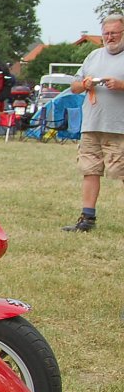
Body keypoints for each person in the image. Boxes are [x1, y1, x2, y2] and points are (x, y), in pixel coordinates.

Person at [62, 14, 124, 232]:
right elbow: (74, 86)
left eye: (114, 33)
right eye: (106, 33)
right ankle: (87, 219)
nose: (110, 37)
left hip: (119, 128)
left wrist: (120, 84)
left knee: (121, 172)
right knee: (90, 170)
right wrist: (85, 84)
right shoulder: (93, 56)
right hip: (92, 125)